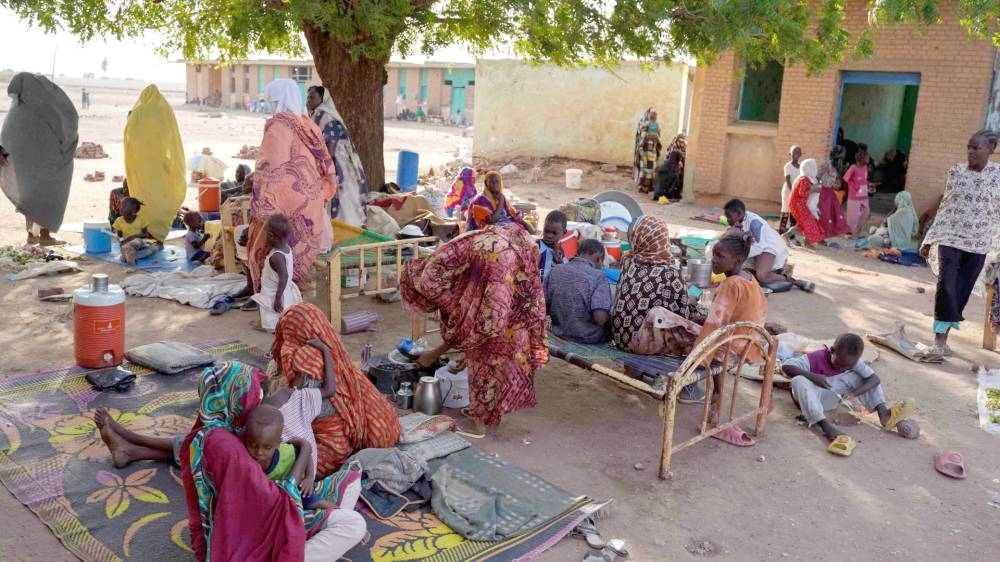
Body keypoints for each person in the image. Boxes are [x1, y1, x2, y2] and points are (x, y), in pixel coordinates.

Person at [179, 361, 365, 562]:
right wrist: (303, 453)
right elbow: (275, 502)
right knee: (354, 524)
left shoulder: (215, 431)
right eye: (250, 395)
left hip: (250, 523)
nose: (254, 401)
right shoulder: (224, 446)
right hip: (250, 537)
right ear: (234, 397)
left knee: (349, 481)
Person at [402, 221, 548, 434]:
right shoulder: (460, 251)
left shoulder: (433, 277)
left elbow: (474, 324)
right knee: (505, 347)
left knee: (487, 351)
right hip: (516, 287)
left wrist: (433, 354)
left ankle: (480, 424)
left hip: (500, 275)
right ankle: (493, 417)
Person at [272, 303, 402, 476]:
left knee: (286, 467)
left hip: (333, 441)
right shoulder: (331, 347)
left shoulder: (304, 357)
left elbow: (296, 400)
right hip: (379, 427)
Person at [249, 79, 337, 294]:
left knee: (257, 231)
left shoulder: (279, 126)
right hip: (312, 206)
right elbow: (325, 163)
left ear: (276, 101)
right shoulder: (309, 125)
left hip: (290, 202)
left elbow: (269, 169)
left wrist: (259, 203)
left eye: (271, 101)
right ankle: (288, 288)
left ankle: (265, 290)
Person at [919, 129, 1000, 355]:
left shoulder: (998, 175)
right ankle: (939, 341)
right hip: (950, 239)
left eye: (976, 148)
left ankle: (945, 337)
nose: (970, 152)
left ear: (991, 150)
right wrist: (930, 238)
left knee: (960, 291)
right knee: (946, 286)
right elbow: (947, 207)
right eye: (969, 147)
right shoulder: (956, 172)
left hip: (979, 243)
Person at [783, 333, 916, 456]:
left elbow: (874, 379)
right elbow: (786, 366)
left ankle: (884, 414)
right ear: (832, 350)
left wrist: (853, 394)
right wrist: (813, 376)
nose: (841, 368)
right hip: (809, 400)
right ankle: (825, 425)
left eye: (847, 366)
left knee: (862, 377)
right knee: (799, 379)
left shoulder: (851, 362)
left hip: (830, 397)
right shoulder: (815, 358)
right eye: (839, 363)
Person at [0, 74, 78, 246]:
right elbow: (67, 126)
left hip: (23, 167)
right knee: (48, 197)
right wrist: (66, 150)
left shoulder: (16, 110)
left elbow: (6, 139)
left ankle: (32, 235)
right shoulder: (47, 108)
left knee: (30, 198)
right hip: (49, 165)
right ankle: (44, 235)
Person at [306, 85, 369, 227]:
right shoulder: (318, 115)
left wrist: (323, 169)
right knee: (344, 198)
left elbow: (330, 147)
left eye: (312, 97)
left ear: (323, 99)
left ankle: (341, 229)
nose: (308, 101)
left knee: (340, 196)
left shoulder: (324, 115)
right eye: (308, 97)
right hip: (338, 162)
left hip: (337, 163)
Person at [723, 198, 814, 292]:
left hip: (770, 248)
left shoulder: (754, 223)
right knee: (740, 270)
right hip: (758, 249)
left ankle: (795, 282)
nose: (728, 220)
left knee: (762, 276)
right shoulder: (740, 221)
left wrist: (739, 255)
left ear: (738, 213)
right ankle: (771, 273)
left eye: (729, 217)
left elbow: (759, 247)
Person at [545, 239, 612, 344]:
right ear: (599, 258)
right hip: (588, 338)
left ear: (578, 253)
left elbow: (544, 308)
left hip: (559, 333)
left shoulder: (556, 270)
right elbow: (600, 318)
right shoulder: (599, 277)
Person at [253, 214, 303, 333]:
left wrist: (278, 297)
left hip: (274, 291)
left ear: (272, 236)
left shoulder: (277, 257)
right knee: (280, 312)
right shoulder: (285, 248)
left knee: (274, 313)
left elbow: (284, 276)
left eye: (265, 235)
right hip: (282, 288)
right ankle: (279, 326)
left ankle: (276, 328)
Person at [466, 171, 531, 232]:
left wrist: (526, 224)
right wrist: (501, 201)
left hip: (499, 227)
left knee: (520, 230)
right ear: (486, 183)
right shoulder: (480, 199)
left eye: (497, 182)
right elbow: (492, 220)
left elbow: (512, 214)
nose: (494, 184)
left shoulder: (498, 196)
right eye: (491, 182)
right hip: (484, 230)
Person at [787, 159, 826, 247]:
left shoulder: (807, 178)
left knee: (803, 224)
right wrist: (814, 189)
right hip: (797, 204)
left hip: (800, 204)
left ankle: (786, 236)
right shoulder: (804, 179)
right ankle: (808, 243)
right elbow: (802, 193)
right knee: (809, 223)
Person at [113, 197, 162, 265]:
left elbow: (146, 234)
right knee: (133, 244)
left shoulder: (141, 220)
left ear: (133, 210)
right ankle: (130, 255)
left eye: (124, 206)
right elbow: (120, 235)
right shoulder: (119, 221)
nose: (120, 208)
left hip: (141, 243)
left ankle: (129, 256)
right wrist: (122, 242)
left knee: (154, 248)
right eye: (121, 206)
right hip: (128, 245)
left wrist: (134, 236)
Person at [815, 146, 852, 238]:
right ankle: (819, 234)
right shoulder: (826, 164)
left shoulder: (837, 166)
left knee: (830, 214)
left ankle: (823, 235)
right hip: (822, 191)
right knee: (822, 213)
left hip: (829, 192)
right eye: (842, 155)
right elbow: (817, 177)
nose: (843, 157)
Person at [843, 148, 873, 237]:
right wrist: (852, 189)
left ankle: (856, 230)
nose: (869, 159)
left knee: (866, 212)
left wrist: (870, 185)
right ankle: (848, 233)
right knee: (852, 216)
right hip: (854, 196)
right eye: (867, 158)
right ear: (861, 159)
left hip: (864, 195)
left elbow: (863, 179)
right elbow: (845, 179)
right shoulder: (853, 168)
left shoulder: (865, 167)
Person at [538, 210, 568, 285]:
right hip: (536, 289)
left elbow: (564, 272)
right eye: (546, 231)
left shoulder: (560, 251)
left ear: (563, 233)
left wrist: (559, 262)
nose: (549, 235)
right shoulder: (536, 246)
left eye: (554, 233)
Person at [779, 146, 802, 233]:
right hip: (788, 191)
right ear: (790, 154)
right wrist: (793, 192)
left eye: (798, 151)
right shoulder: (787, 166)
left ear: (800, 154)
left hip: (796, 192)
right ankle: (781, 232)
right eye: (794, 151)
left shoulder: (801, 167)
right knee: (786, 209)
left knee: (794, 211)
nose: (796, 153)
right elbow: (788, 181)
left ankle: (791, 233)